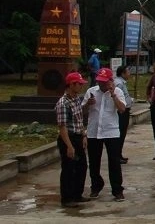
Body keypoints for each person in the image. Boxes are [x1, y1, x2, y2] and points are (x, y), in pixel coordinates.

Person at [82, 68, 127, 202]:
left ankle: (117, 190)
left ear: (110, 81)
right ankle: (96, 186)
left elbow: (122, 109)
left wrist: (113, 95)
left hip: (111, 131)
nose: (102, 85)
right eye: (100, 82)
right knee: (94, 162)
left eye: (104, 82)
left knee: (114, 162)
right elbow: (82, 110)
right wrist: (87, 105)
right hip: (94, 131)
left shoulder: (118, 91)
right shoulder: (91, 92)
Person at [55, 72, 90, 208]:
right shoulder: (63, 103)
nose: (81, 87)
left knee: (81, 167)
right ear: (71, 85)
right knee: (69, 169)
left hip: (78, 137)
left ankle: (77, 194)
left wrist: (84, 136)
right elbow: (62, 127)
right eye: (79, 84)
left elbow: (79, 120)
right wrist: (69, 146)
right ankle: (67, 198)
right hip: (68, 138)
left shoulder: (76, 99)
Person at [114, 66, 133, 164]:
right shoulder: (119, 84)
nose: (129, 73)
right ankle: (117, 155)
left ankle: (119, 154)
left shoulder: (121, 83)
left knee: (122, 133)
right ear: (122, 73)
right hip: (121, 112)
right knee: (120, 133)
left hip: (125, 110)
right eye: (128, 72)